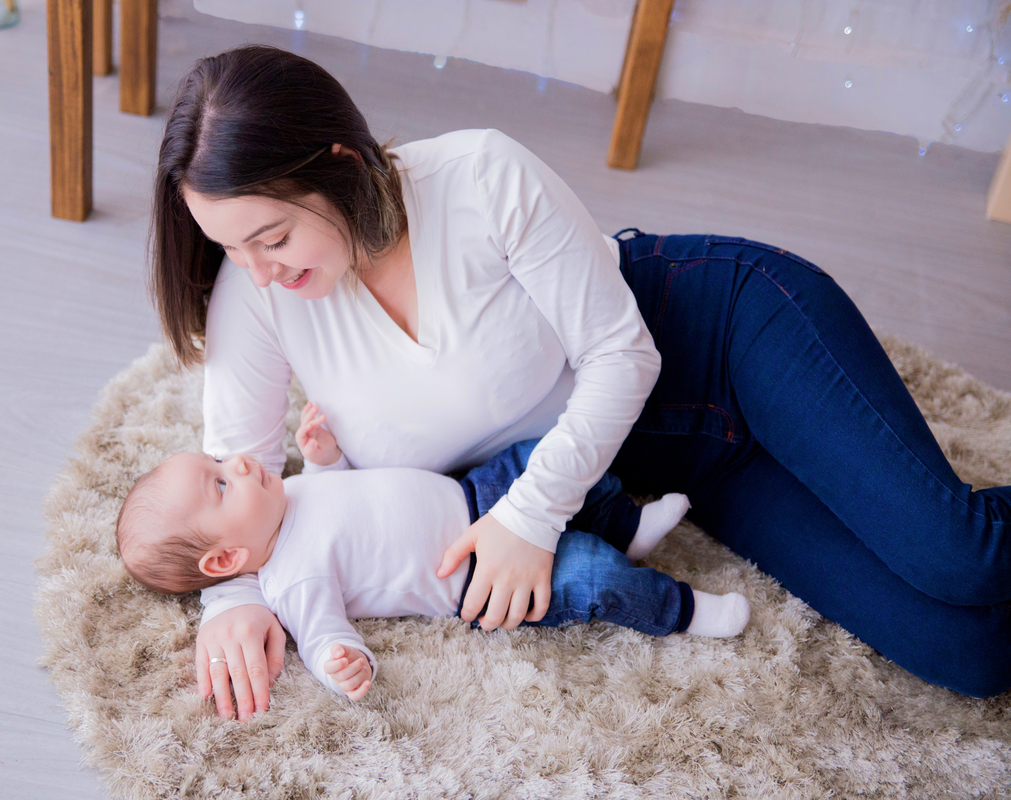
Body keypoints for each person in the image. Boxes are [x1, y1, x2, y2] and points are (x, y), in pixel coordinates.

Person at [149, 45, 1011, 717]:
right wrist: (232, 600)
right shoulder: (255, 297)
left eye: (272, 238)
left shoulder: (479, 176)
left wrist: (529, 517)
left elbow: (624, 356)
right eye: (229, 247)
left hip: (725, 337)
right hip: (679, 463)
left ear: (338, 163)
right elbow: (232, 472)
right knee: (970, 655)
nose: (256, 271)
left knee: (959, 557)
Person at [116, 403, 749, 700]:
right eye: (221, 484)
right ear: (225, 561)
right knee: (589, 576)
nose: (238, 463)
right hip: (476, 580)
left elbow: (344, 494)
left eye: (219, 460)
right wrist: (341, 662)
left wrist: (324, 457)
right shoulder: (292, 580)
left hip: (471, 492)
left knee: (542, 456)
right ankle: (684, 609)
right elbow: (322, 634)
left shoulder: (289, 493)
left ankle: (625, 525)